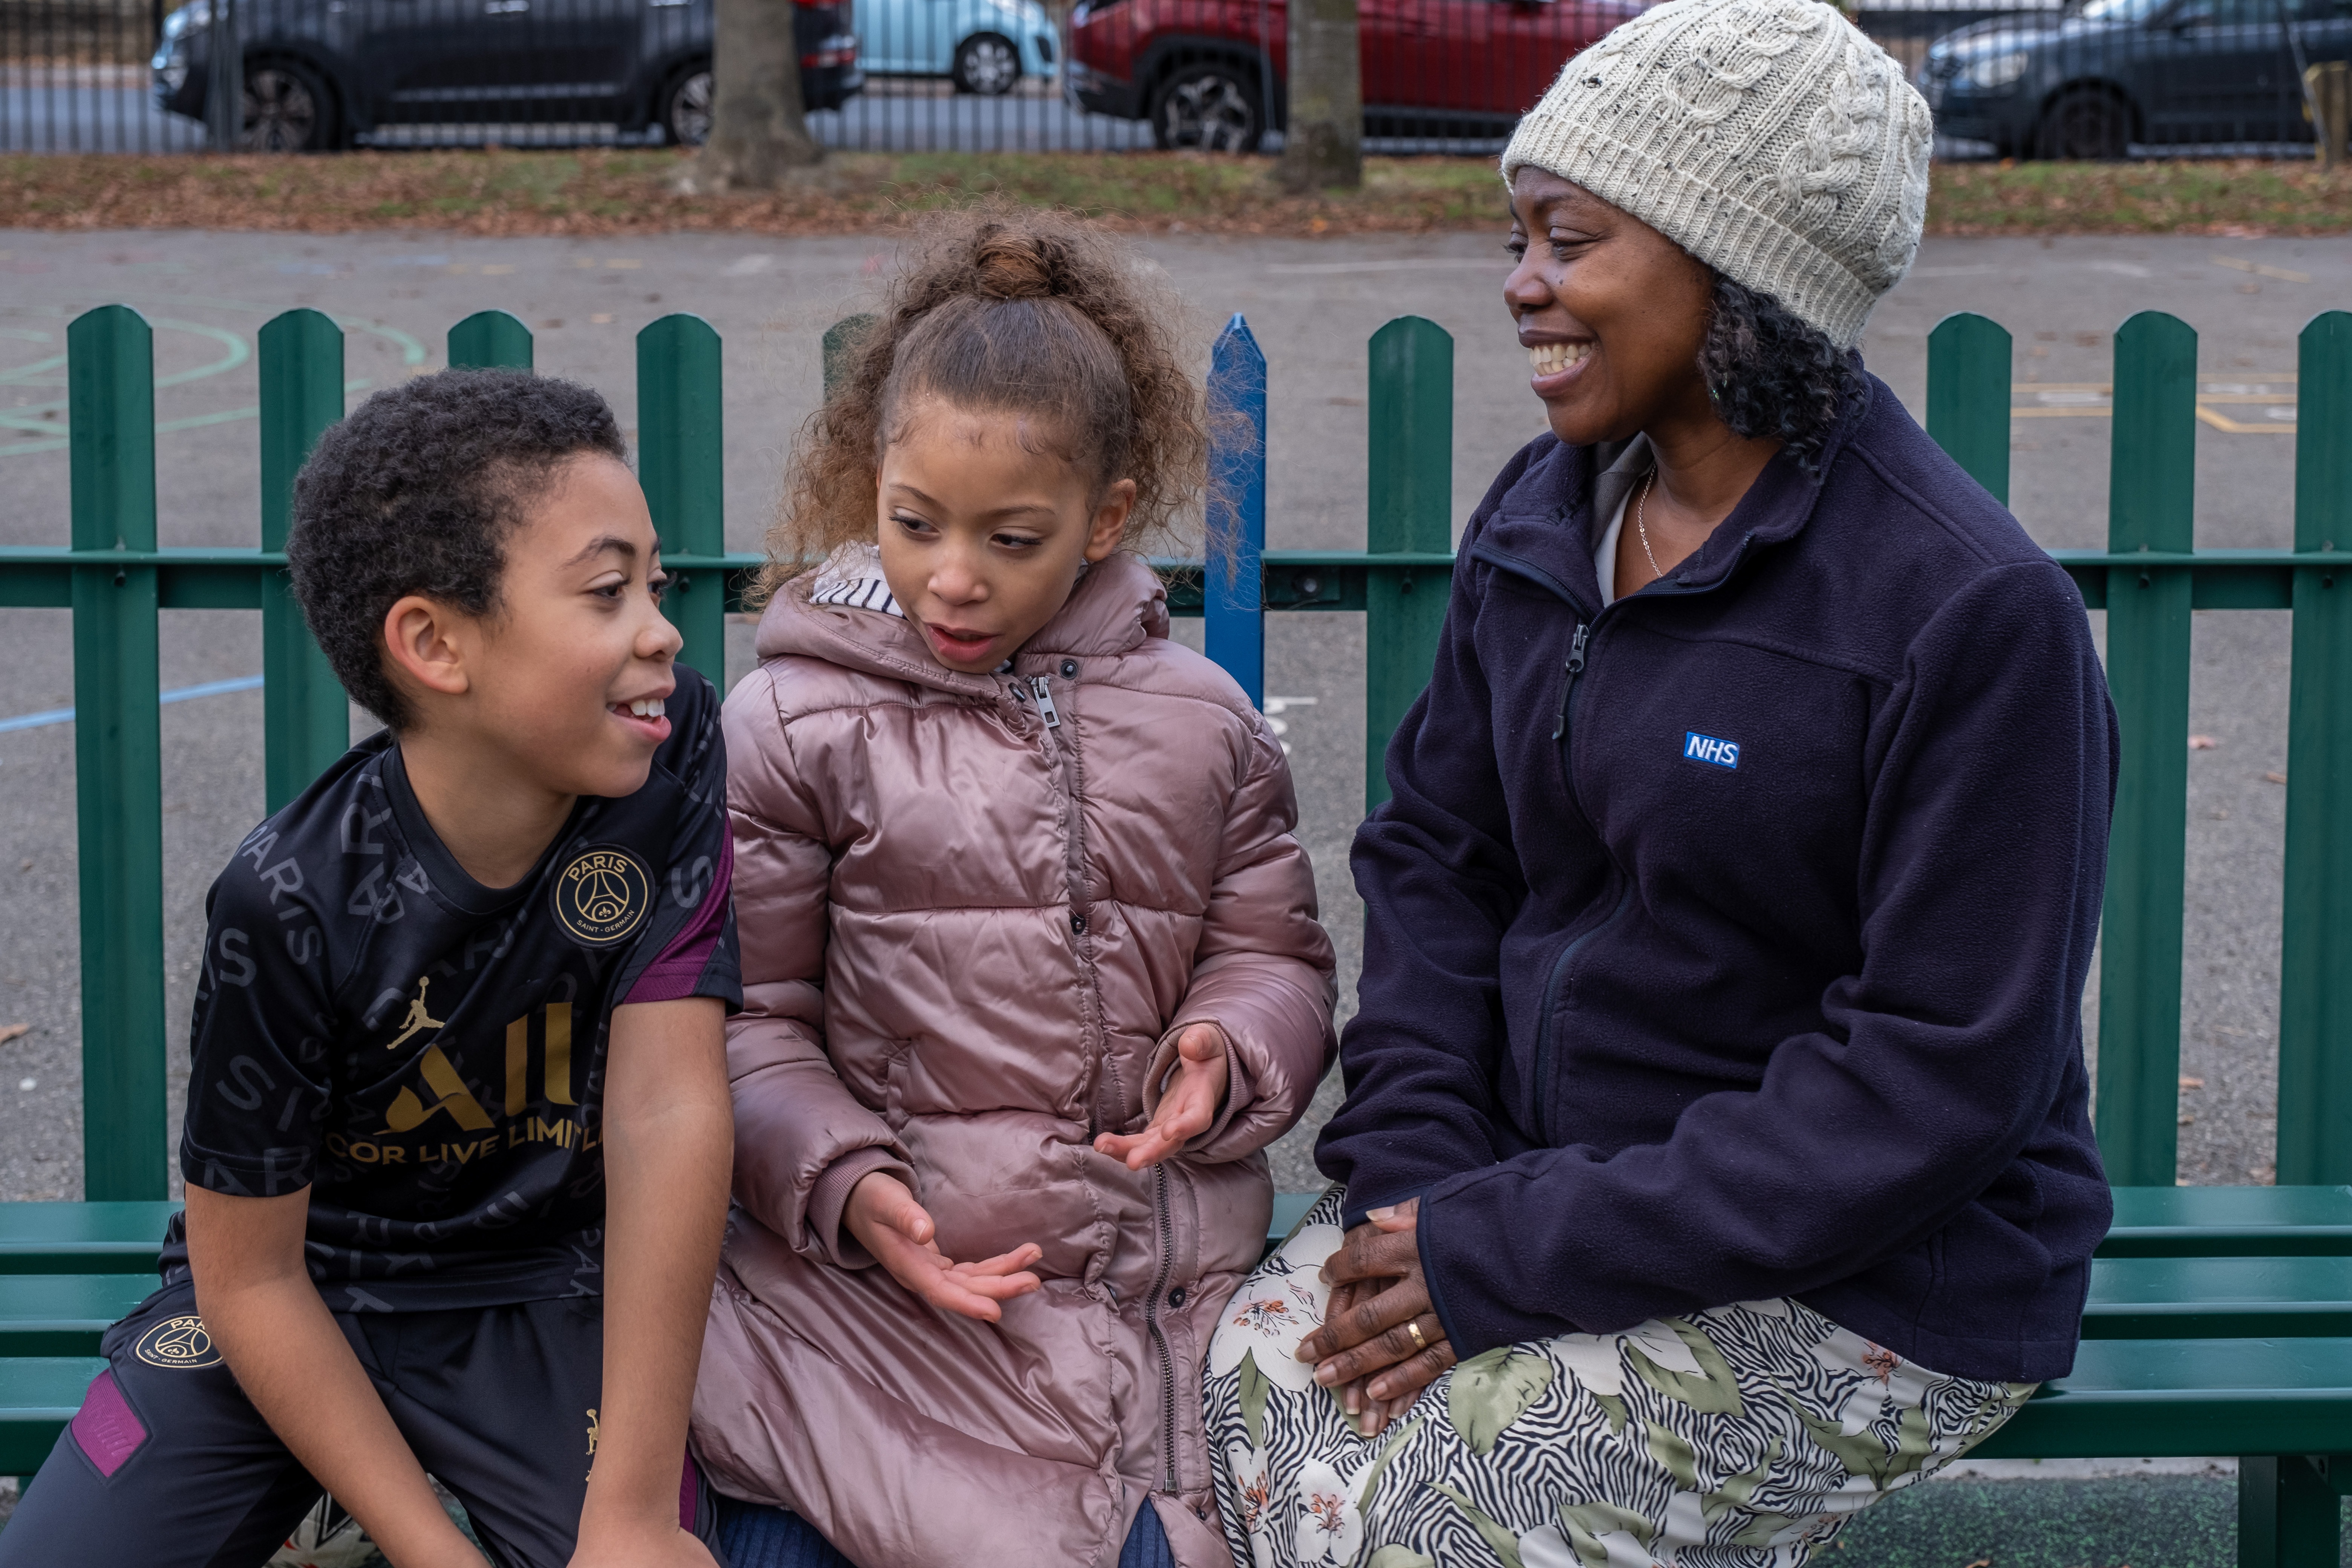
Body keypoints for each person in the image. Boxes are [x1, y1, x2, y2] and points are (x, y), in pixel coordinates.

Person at [1204, 1, 2118, 1563]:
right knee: (1241, 1391)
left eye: (1571, 237)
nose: (1521, 283)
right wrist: (1420, 1190)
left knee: (1435, 1504)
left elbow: (1932, 1079)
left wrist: (1513, 1251)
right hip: (1521, 1193)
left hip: (1872, 1273)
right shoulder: (1546, 517)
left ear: (1734, 266)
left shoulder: (1964, 613)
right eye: (1518, 233)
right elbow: (1436, 860)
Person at [0, 371, 741, 1568]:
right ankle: (361, 1500)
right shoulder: (286, 900)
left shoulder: (671, 748)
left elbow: (669, 1107)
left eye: (654, 584)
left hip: (537, 1289)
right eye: (610, 592)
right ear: (434, 645)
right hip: (297, 1303)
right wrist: (427, 1550)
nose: (663, 628)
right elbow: (250, 1282)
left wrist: (629, 1515)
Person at [687, 209, 1338, 1568]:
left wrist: (1228, 1044)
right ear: (870, 485)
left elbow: (1274, 954)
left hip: (1147, 1300)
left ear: (1104, 523)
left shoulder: (1205, 723)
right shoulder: (794, 725)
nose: (953, 577)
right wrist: (851, 1186)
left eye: (1012, 538)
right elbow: (744, 1025)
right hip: (858, 1298)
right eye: (914, 524)